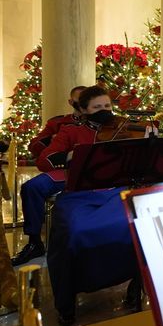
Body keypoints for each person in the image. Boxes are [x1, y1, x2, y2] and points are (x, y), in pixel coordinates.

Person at [11, 85, 114, 268]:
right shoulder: (70, 130)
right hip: (73, 172)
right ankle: (35, 241)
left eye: (107, 106)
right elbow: (44, 159)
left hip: (111, 175)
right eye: (97, 107)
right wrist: (70, 155)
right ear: (83, 110)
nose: (104, 111)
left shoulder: (122, 128)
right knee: (32, 187)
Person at [27, 86, 86, 158]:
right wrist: (51, 139)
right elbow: (34, 146)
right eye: (80, 100)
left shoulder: (99, 122)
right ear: (71, 102)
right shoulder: (57, 122)